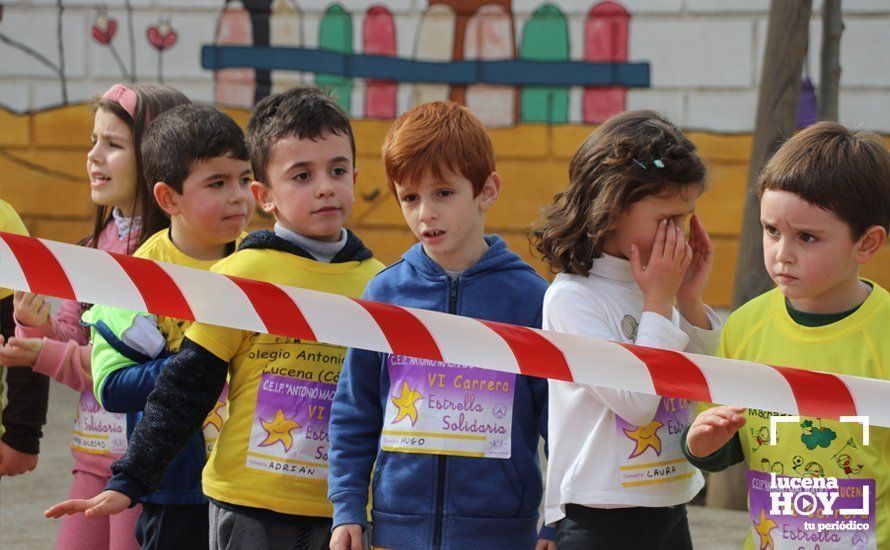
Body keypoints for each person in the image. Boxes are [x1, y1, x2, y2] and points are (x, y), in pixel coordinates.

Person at [46, 87, 385, 550]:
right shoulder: (241, 275)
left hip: (344, 513)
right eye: (303, 175)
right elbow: (187, 385)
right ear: (266, 195)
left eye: (338, 170)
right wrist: (130, 480)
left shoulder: (382, 284)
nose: (326, 186)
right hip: (245, 507)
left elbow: (386, 400)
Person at [328, 101, 553, 550]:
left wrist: (557, 520)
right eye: (410, 197)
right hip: (395, 529)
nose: (425, 212)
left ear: (487, 190)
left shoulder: (531, 298)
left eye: (443, 193)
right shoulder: (384, 294)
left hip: (501, 534)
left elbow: (560, 421)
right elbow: (355, 410)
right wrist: (348, 505)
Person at [684, 121, 890, 549]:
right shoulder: (744, 326)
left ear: (867, 244)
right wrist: (702, 444)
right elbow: (725, 443)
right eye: (772, 230)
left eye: (807, 237)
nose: (782, 254)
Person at [4, 83, 188, 550]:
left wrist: (42, 351)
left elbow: (125, 367)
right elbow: (74, 339)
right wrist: (36, 325)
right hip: (90, 458)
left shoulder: (175, 259)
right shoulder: (91, 248)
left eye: (113, 144)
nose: (94, 155)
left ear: (157, 157)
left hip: (147, 468)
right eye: (92, 141)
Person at [532, 110, 722, 549]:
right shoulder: (572, 298)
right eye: (667, 219)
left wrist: (689, 300)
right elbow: (636, 404)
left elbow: (704, 386)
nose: (680, 233)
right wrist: (659, 302)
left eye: (687, 217)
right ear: (612, 206)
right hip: (602, 519)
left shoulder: (662, 285)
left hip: (672, 503)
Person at [84, 103, 254, 549]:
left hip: (252, 484)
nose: (238, 195)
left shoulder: (263, 264)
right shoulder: (136, 278)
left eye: (243, 178)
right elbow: (112, 384)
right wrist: (202, 361)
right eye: (217, 183)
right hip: (175, 488)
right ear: (168, 198)